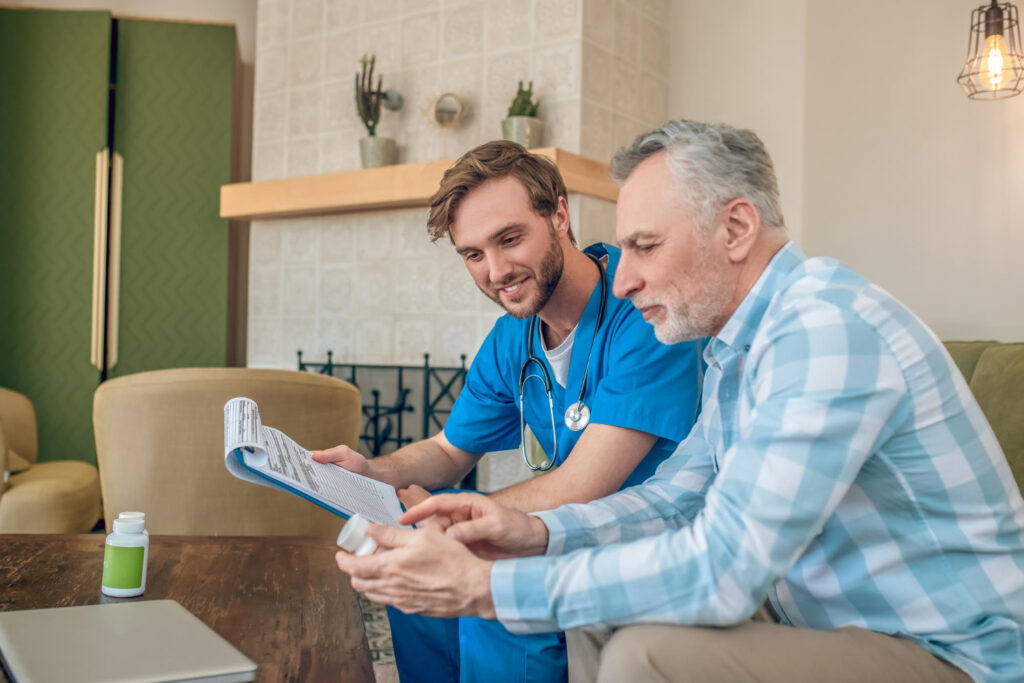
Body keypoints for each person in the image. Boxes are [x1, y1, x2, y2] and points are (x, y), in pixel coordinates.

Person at [334, 121, 1024, 683]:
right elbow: (674, 495)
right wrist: (527, 532)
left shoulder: (824, 331)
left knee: (645, 656)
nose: (624, 276)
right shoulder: (735, 352)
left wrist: (484, 586)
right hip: (814, 619)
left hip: (950, 652)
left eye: (645, 246)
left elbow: (723, 568)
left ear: (736, 229)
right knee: (602, 617)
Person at [313, 140, 703, 683]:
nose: (495, 270)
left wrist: (458, 520)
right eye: (473, 254)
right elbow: (450, 451)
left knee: (477, 548)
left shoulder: (643, 313)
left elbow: (584, 485)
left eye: (509, 239)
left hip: (642, 536)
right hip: (567, 528)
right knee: (413, 538)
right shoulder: (512, 337)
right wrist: (373, 470)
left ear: (559, 214)